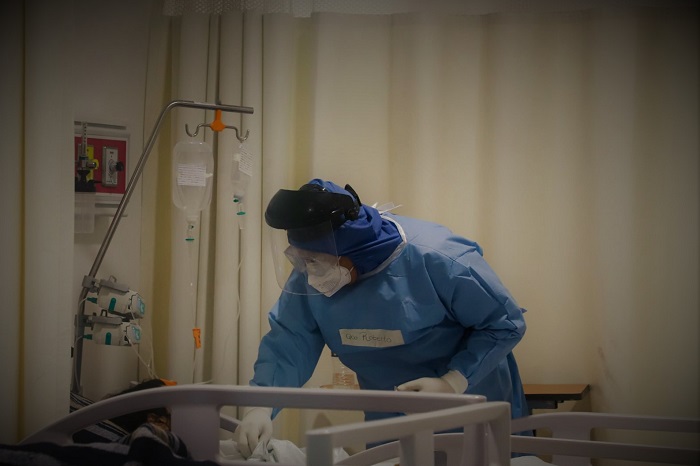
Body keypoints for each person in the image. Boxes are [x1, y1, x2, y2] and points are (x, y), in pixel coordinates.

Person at [234, 178, 529, 457]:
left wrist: (452, 382)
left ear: (355, 250)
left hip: (469, 402)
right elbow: (290, 340)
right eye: (303, 260)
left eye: (315, 261)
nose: (310, 273)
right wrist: (261, 405)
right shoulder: (315, 269)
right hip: (389, 414)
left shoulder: (438, 258)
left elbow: (503, 324)